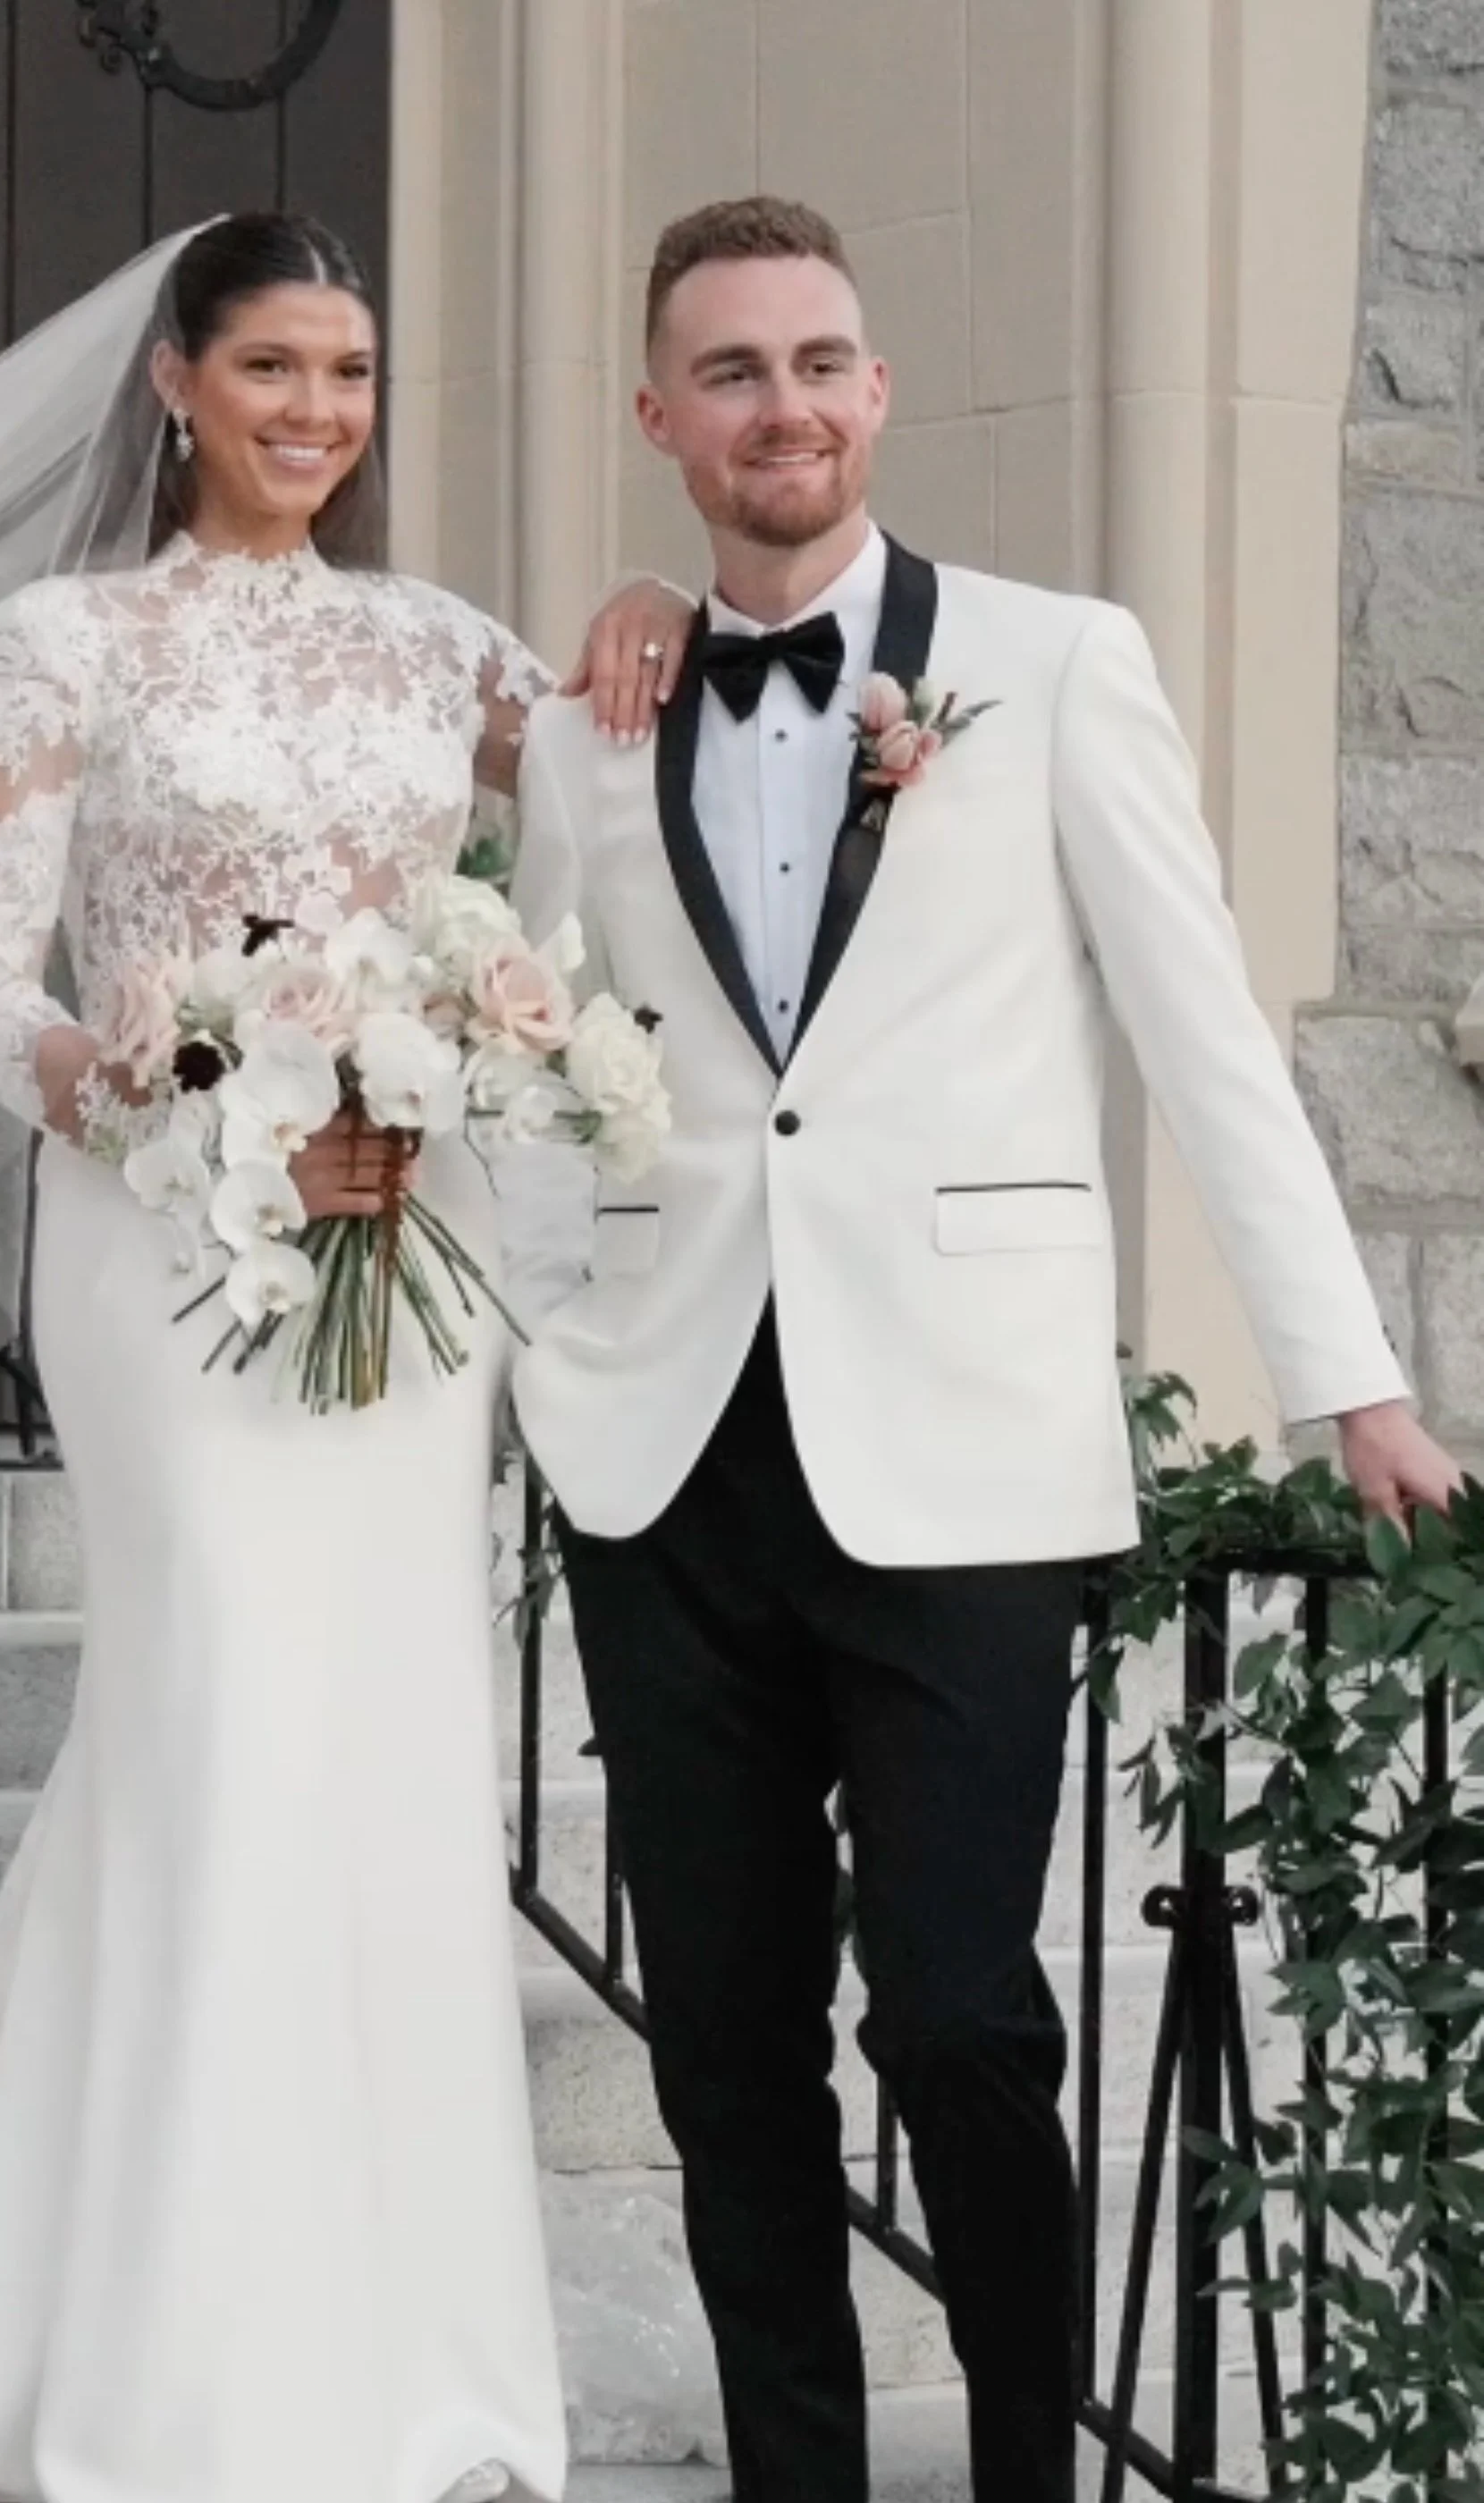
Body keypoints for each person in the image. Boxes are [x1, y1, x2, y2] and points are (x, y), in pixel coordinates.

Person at [0, 210, 693, 2503]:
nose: (320, 413)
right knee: (217, 1722)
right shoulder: (60, 640)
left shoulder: (432, 647)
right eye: (278, 366)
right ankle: (181, 2355)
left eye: (355, 376)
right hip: (165, 1247)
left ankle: (407, 2348)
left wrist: (643, 621)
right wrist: (190, 1095)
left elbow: (611, 800)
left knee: (386, 1747)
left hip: (418, 1238)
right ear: (181, 382)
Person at [510, 195, 1462, 2503]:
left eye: (821, 359)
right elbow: (535, 1068)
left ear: (879, 387)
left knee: (954, 2013)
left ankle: (1033, 2473)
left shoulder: (1048, 663)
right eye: (730, 372)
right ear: (657, 419)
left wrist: (1351, 1381)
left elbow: (1201, 1032)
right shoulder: (585, 719)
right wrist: (534, 1357)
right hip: (669, 1467)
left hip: (960, 1456)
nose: (786, 406)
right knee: (725, 2050)